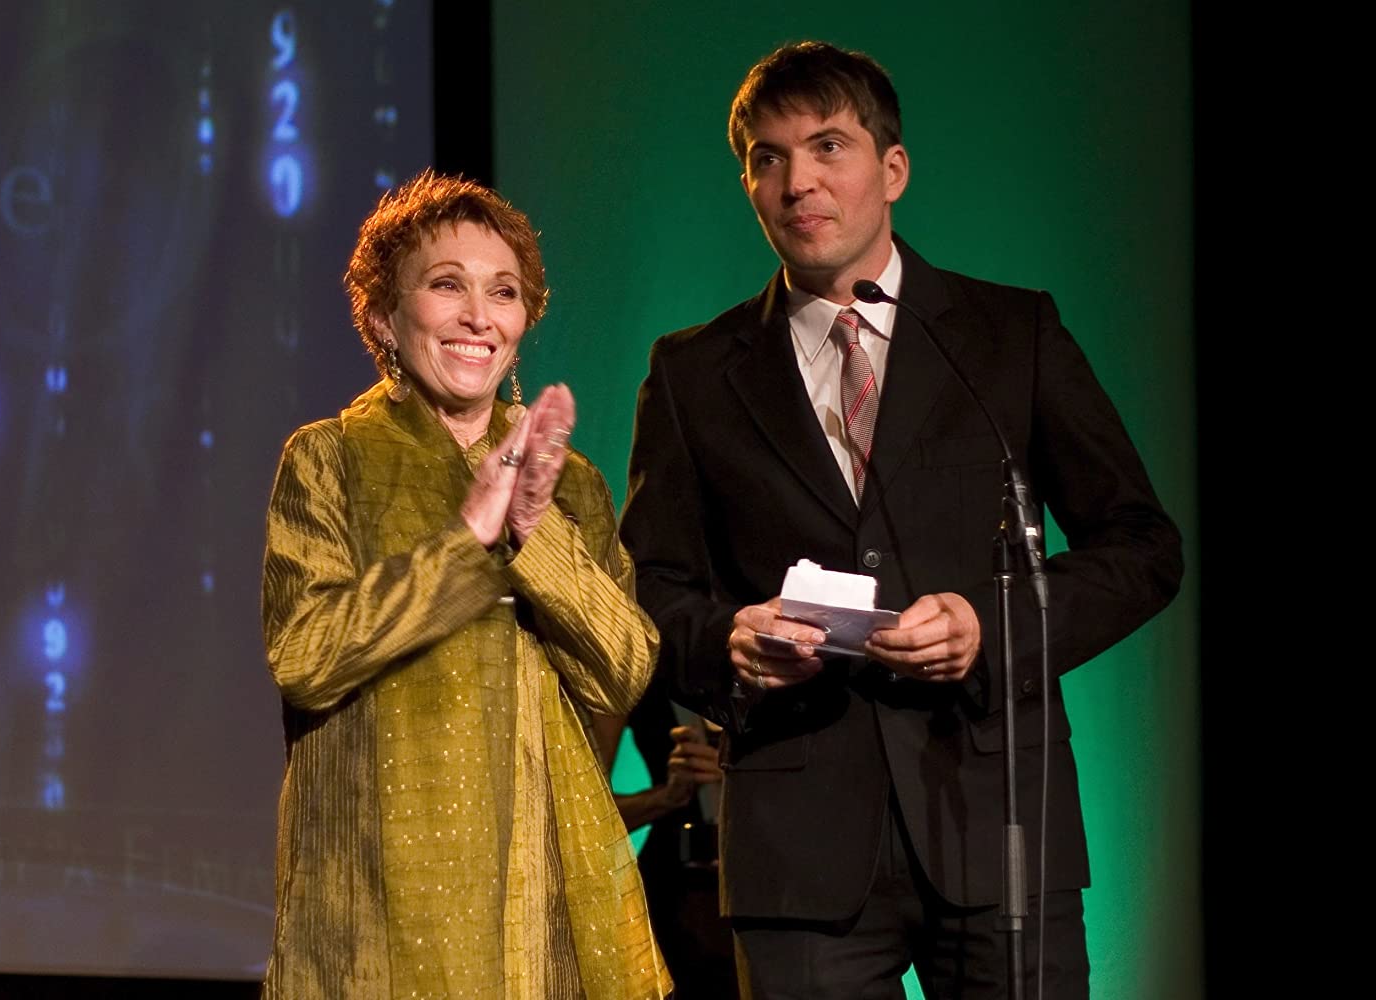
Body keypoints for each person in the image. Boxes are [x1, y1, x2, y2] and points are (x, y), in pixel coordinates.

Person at [619, 42, 1183, 999]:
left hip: (998, 823)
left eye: (827, 147)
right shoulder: (692, 372)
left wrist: (988, 629)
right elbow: (647, 592)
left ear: (893, 168)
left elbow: (1143, 547)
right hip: (798, 850)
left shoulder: (1009, 337)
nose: (797, 181)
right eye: (766, 158)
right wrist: (728, 644)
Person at [260, 170, 670, 999]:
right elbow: (305, 657)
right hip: (381, 900)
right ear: (384, 316)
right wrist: (465, 543)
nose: (480, 316)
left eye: (503, 292)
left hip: (543, 897)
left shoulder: (571, 483)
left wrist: (533, 532)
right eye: (447, 285)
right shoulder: (330, 457)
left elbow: (623, 671)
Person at [594, 689, 739, 1000]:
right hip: (675, 892)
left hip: (765, 882)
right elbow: (583, 815)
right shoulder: (638, 672)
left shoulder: (780, 670)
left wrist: (744, 776)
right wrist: (667, 797)